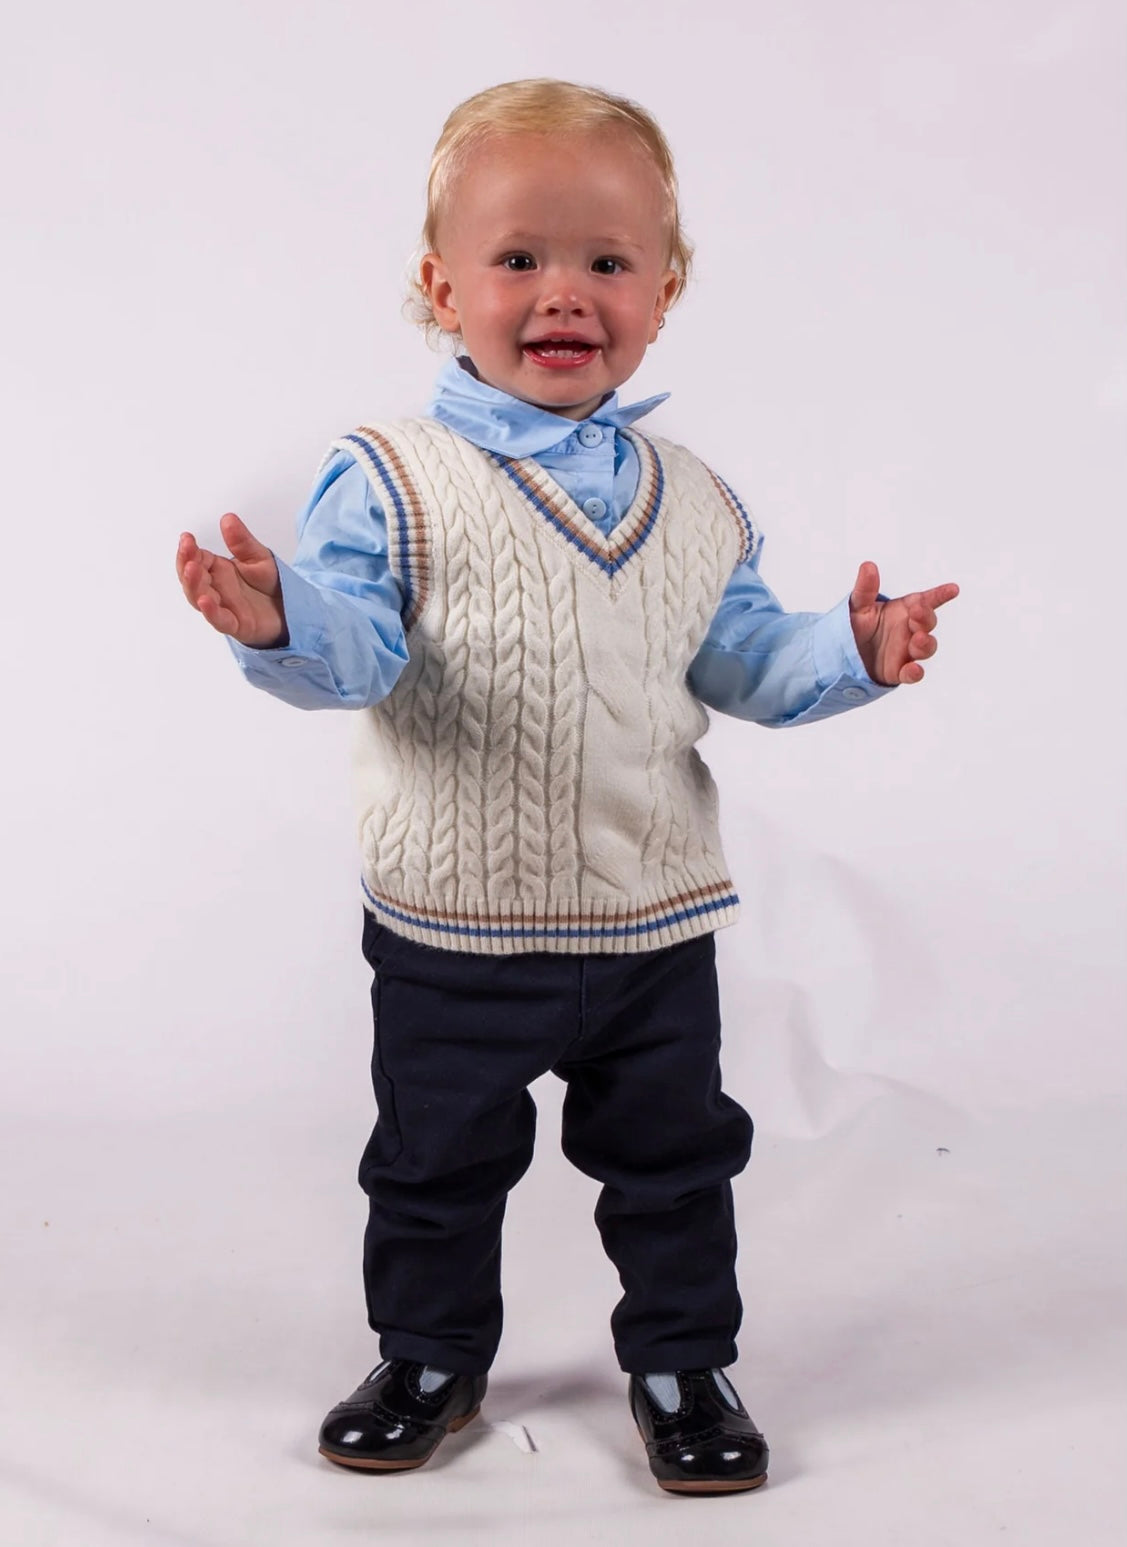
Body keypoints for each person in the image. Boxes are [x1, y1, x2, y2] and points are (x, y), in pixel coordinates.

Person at [175, 78, 958, 1496]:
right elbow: (357, 648)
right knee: (432, 1166)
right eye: (518, 258)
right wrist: (279, 617)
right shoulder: (393, 477)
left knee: (676, 1164)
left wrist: (851, 648)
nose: (563, 294)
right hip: (454, 927)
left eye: (606, 262)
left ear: (664, 289)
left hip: (652, 925)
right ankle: (428, 1354)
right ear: (439, 285)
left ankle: (681, 1358)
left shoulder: (697, 496)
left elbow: (743, 662)